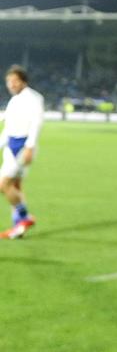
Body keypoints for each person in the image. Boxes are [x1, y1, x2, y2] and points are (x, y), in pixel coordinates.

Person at [0, 65, 44, 239]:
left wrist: (30, 146)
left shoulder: (33, 98)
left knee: (4, 184)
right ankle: (19, 228)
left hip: (22, 146)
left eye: (14, 81)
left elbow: (36, 122)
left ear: (23, 81)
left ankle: (24, 217)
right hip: (12, 146)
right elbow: (8, 129)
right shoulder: (14, 100)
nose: (11, 85)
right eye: (8, 82)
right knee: (15, 187)